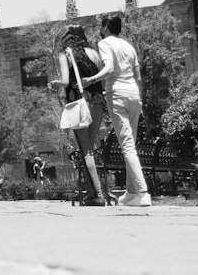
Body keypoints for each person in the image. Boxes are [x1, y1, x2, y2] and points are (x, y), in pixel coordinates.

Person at [86, 13, 150, 207]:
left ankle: (143, 192)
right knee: (131, 142)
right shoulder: (129, 46)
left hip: (118, 93)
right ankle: (131, 193)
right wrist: (140, 99)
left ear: (105, 27)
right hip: (134, 94)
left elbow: (109, 67)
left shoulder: (105, 43)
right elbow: (138, 76)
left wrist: (92, 79)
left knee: (127, 144)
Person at [56, 24, 109, 206]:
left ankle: (99, 195)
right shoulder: (93, 53)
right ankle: (92, 194)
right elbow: (103, 76)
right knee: (90, 150)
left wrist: (56, 84)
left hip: (80, 104)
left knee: (86, 150)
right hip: (98, 103)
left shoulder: (65, 55)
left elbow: (64, 81)